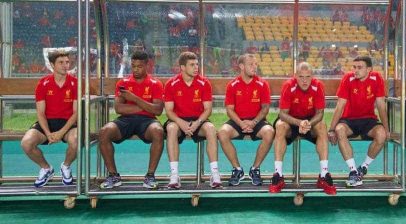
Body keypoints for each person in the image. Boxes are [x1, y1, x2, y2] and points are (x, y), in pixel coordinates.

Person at [98, 51, 165, 189]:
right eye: (133, 66)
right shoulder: (123, 83)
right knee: (105, 131)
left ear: (147, 65)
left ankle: (150, 176)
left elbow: (157, 110)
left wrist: (133, 99)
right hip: (125, 120)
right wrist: (146, 106)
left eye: (139, 66)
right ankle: (113, 176)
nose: (135, 69)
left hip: (148, 121)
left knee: (158, 131)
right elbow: (119, 108)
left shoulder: (155, 83)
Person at [269, 62, 336, 195]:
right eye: (301, 77)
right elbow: (282, 114)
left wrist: (308, 124)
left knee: (322, 126)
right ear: (295, 76)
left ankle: (324, 175)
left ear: (312, 76)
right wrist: (299, 123)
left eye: (308, 76)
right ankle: (278, 175)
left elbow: (320, 113)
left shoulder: (318, 86)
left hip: (310, 121)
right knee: (279, 126)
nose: (305, 80)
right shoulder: (288, 85)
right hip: (291, 120)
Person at [328, 56, 390, 187]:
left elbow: (381, 105)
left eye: (359, 67)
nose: (355, 70)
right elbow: (340, 105)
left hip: (368, 120)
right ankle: (353, 171)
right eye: (354, 67)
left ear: (369, 69)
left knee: (382, 134)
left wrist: (386, 128)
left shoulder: (377, 78)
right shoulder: (347, 78)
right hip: (348, 121)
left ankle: (363, 167)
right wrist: (331, 129)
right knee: (339, 130)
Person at [163, 52, 220, 189]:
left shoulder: (204, 83)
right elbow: (169, 111)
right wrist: (181, 123)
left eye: (197, 64)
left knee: (211, 129)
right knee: (171, 129)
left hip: (198, 121)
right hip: (178, 121)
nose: (196, 68)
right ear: (182, 67)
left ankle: (215, 174)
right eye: (192, 65)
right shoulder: (171, 83)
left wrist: (197, 123)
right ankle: (174, 175)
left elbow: (208, 110)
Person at [21, 51, 77, 187]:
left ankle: (66, 167)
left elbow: (76, 113)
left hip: (68, 123)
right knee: (26, 143)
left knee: (76, 140)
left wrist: (61, 133)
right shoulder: (43, 83)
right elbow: (40, 113)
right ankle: (46, 169)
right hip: (47, 123)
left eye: (67, 62)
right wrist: (48, 133)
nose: (65, 65)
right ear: (52, 65)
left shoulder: (76, 83)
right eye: (61, 62)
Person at [218, 54, 275, 186]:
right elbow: (229, 110)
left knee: (269, 132)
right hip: (238, 121)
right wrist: (241, 123)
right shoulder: (232, 85)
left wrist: (254, 122)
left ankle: (255, 169)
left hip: (257, 121)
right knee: (222, 132)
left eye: (256, 64)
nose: (254, 67)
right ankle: (237, 169)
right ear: (241, 66)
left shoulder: (262, 84)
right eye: (251, 64)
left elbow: (265, 108)